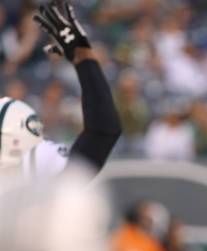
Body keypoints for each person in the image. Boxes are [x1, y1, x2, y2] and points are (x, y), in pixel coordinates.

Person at [0, 2, 121, 178]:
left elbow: (102, 133)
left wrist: (84, 59)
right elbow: (103, 133)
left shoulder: (33, 161)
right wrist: (84, 59)